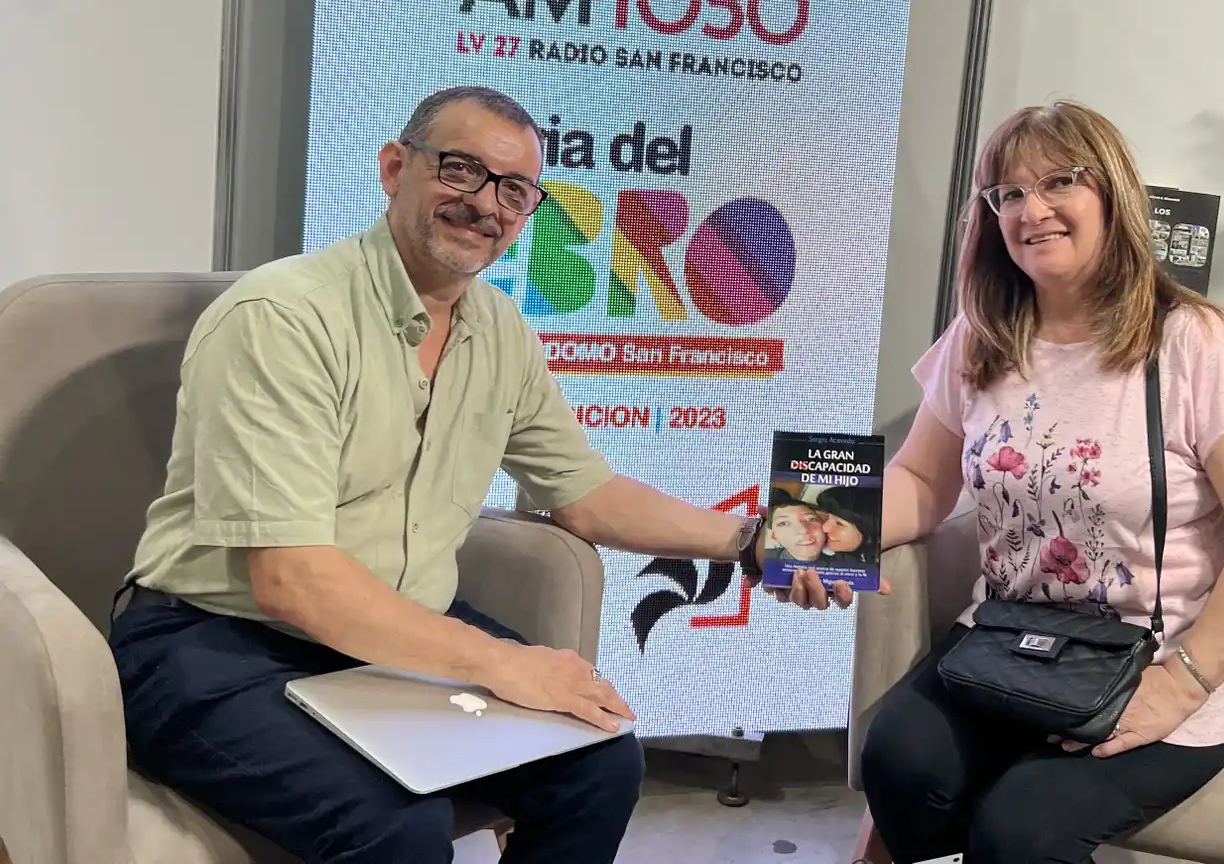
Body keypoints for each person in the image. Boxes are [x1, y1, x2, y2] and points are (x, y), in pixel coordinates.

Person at [107, 85, 832, 864]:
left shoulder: (501, 333)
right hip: (214, 638)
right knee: (397, 828)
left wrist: (756, 541)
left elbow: (588, 496)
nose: (485, 204)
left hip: (387, 637)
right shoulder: (285, 316)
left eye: (514, 190)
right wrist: (501, 662)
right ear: (394, 167)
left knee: (600, 763)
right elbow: (294, 581)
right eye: (461, 170)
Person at [776, 101, 1224, 864]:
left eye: (1060, 181)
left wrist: (1182, 683)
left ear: (1112, 193)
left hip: (1155, 660)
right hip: (1007, 642)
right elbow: (922, 480)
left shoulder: (1194, 341)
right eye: (1009, 194)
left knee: (1021, 830)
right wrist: (813, 538)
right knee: (897, 758)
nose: (1034, 210)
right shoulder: (983, 334)